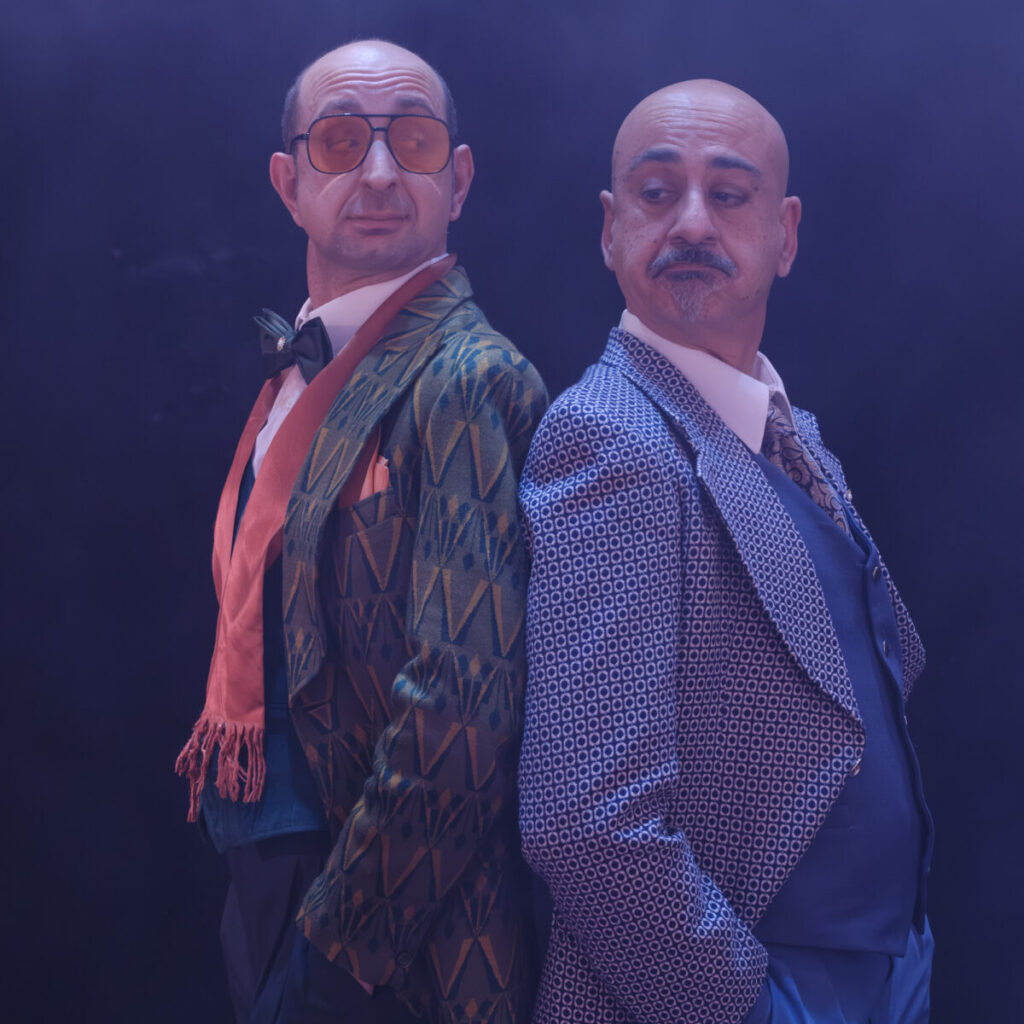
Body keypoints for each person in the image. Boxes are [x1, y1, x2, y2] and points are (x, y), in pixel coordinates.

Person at [517, 80, 933, 1024]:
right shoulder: (609, 437)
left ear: (785, 234)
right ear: (611, 229)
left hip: (887, 966)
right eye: (657, 193)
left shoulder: (793, 433)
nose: (693, 222)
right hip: (749, 987)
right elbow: (585, 822)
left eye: (730, 194)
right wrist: (752, 1009)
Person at [176, 39, 547, 1024]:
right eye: (342, 142)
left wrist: (333, 957)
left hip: (393, 934)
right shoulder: (297, 371)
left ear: (457, 180)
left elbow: (465, 704)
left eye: (412, 142)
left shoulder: (467, 374)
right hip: (270, 873)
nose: (380, 173)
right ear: (289, 183)